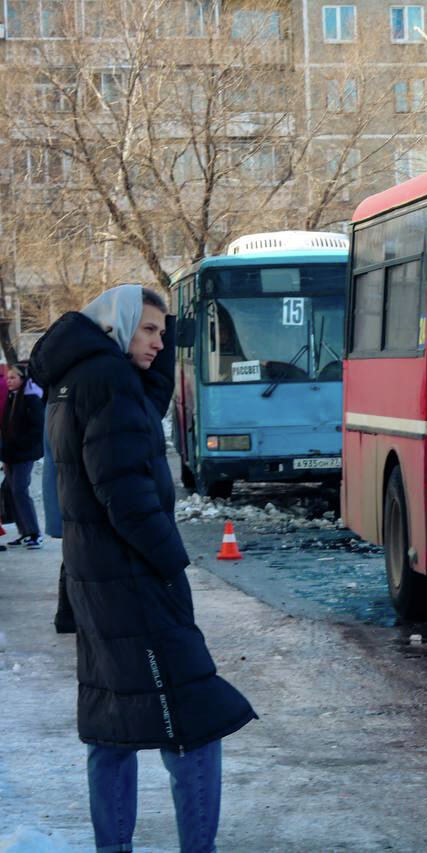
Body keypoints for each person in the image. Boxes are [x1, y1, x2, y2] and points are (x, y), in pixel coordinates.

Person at [29, 284, 256, 853]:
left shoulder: (78, 379)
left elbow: (138, 416)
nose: (158, 342)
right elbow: (124, 491)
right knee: (195, 725)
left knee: (113, 727)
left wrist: (166, 326)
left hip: (96, 585)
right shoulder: (107, 383)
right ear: (118, 325)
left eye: (162, 332)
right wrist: (171, 564)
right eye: (149, 330)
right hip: (134, 585)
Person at [1, 362, 45, 548]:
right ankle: (24, 532)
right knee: (13, 491)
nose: (9, 381)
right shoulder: (12, 397)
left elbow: (36, 429)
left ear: (22, 379)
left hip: (24, 453)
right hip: (10, 453)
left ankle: (35, 533)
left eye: (13, 377)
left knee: (20, 490)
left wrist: (19, 445)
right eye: (8, 377)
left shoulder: (31, 399)